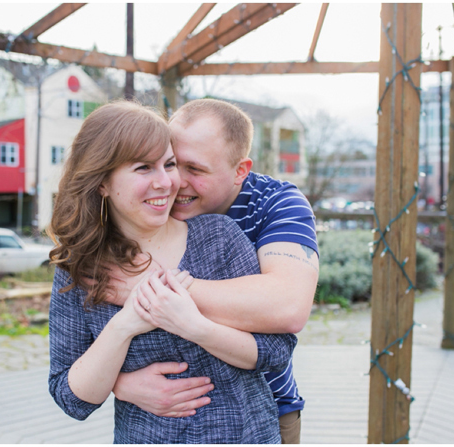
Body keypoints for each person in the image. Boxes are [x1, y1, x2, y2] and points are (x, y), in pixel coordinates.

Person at [45, 101, 295, 443]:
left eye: (169, 164)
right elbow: (70, 396)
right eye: (144, 168)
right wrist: (124, 327)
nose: (166, 182)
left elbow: (277, 351)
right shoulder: (82, 267)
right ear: (102, 182)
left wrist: (193, 326)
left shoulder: (218, 237)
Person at [104, 99, 317, 443]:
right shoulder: (153, 200)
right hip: (160, 420)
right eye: (171, 162)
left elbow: (288, 307)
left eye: (196, 170)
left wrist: (147, 290)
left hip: (263, 413)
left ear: (240, 171)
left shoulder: (278, 204)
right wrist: (118, 382)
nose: (173, 182)